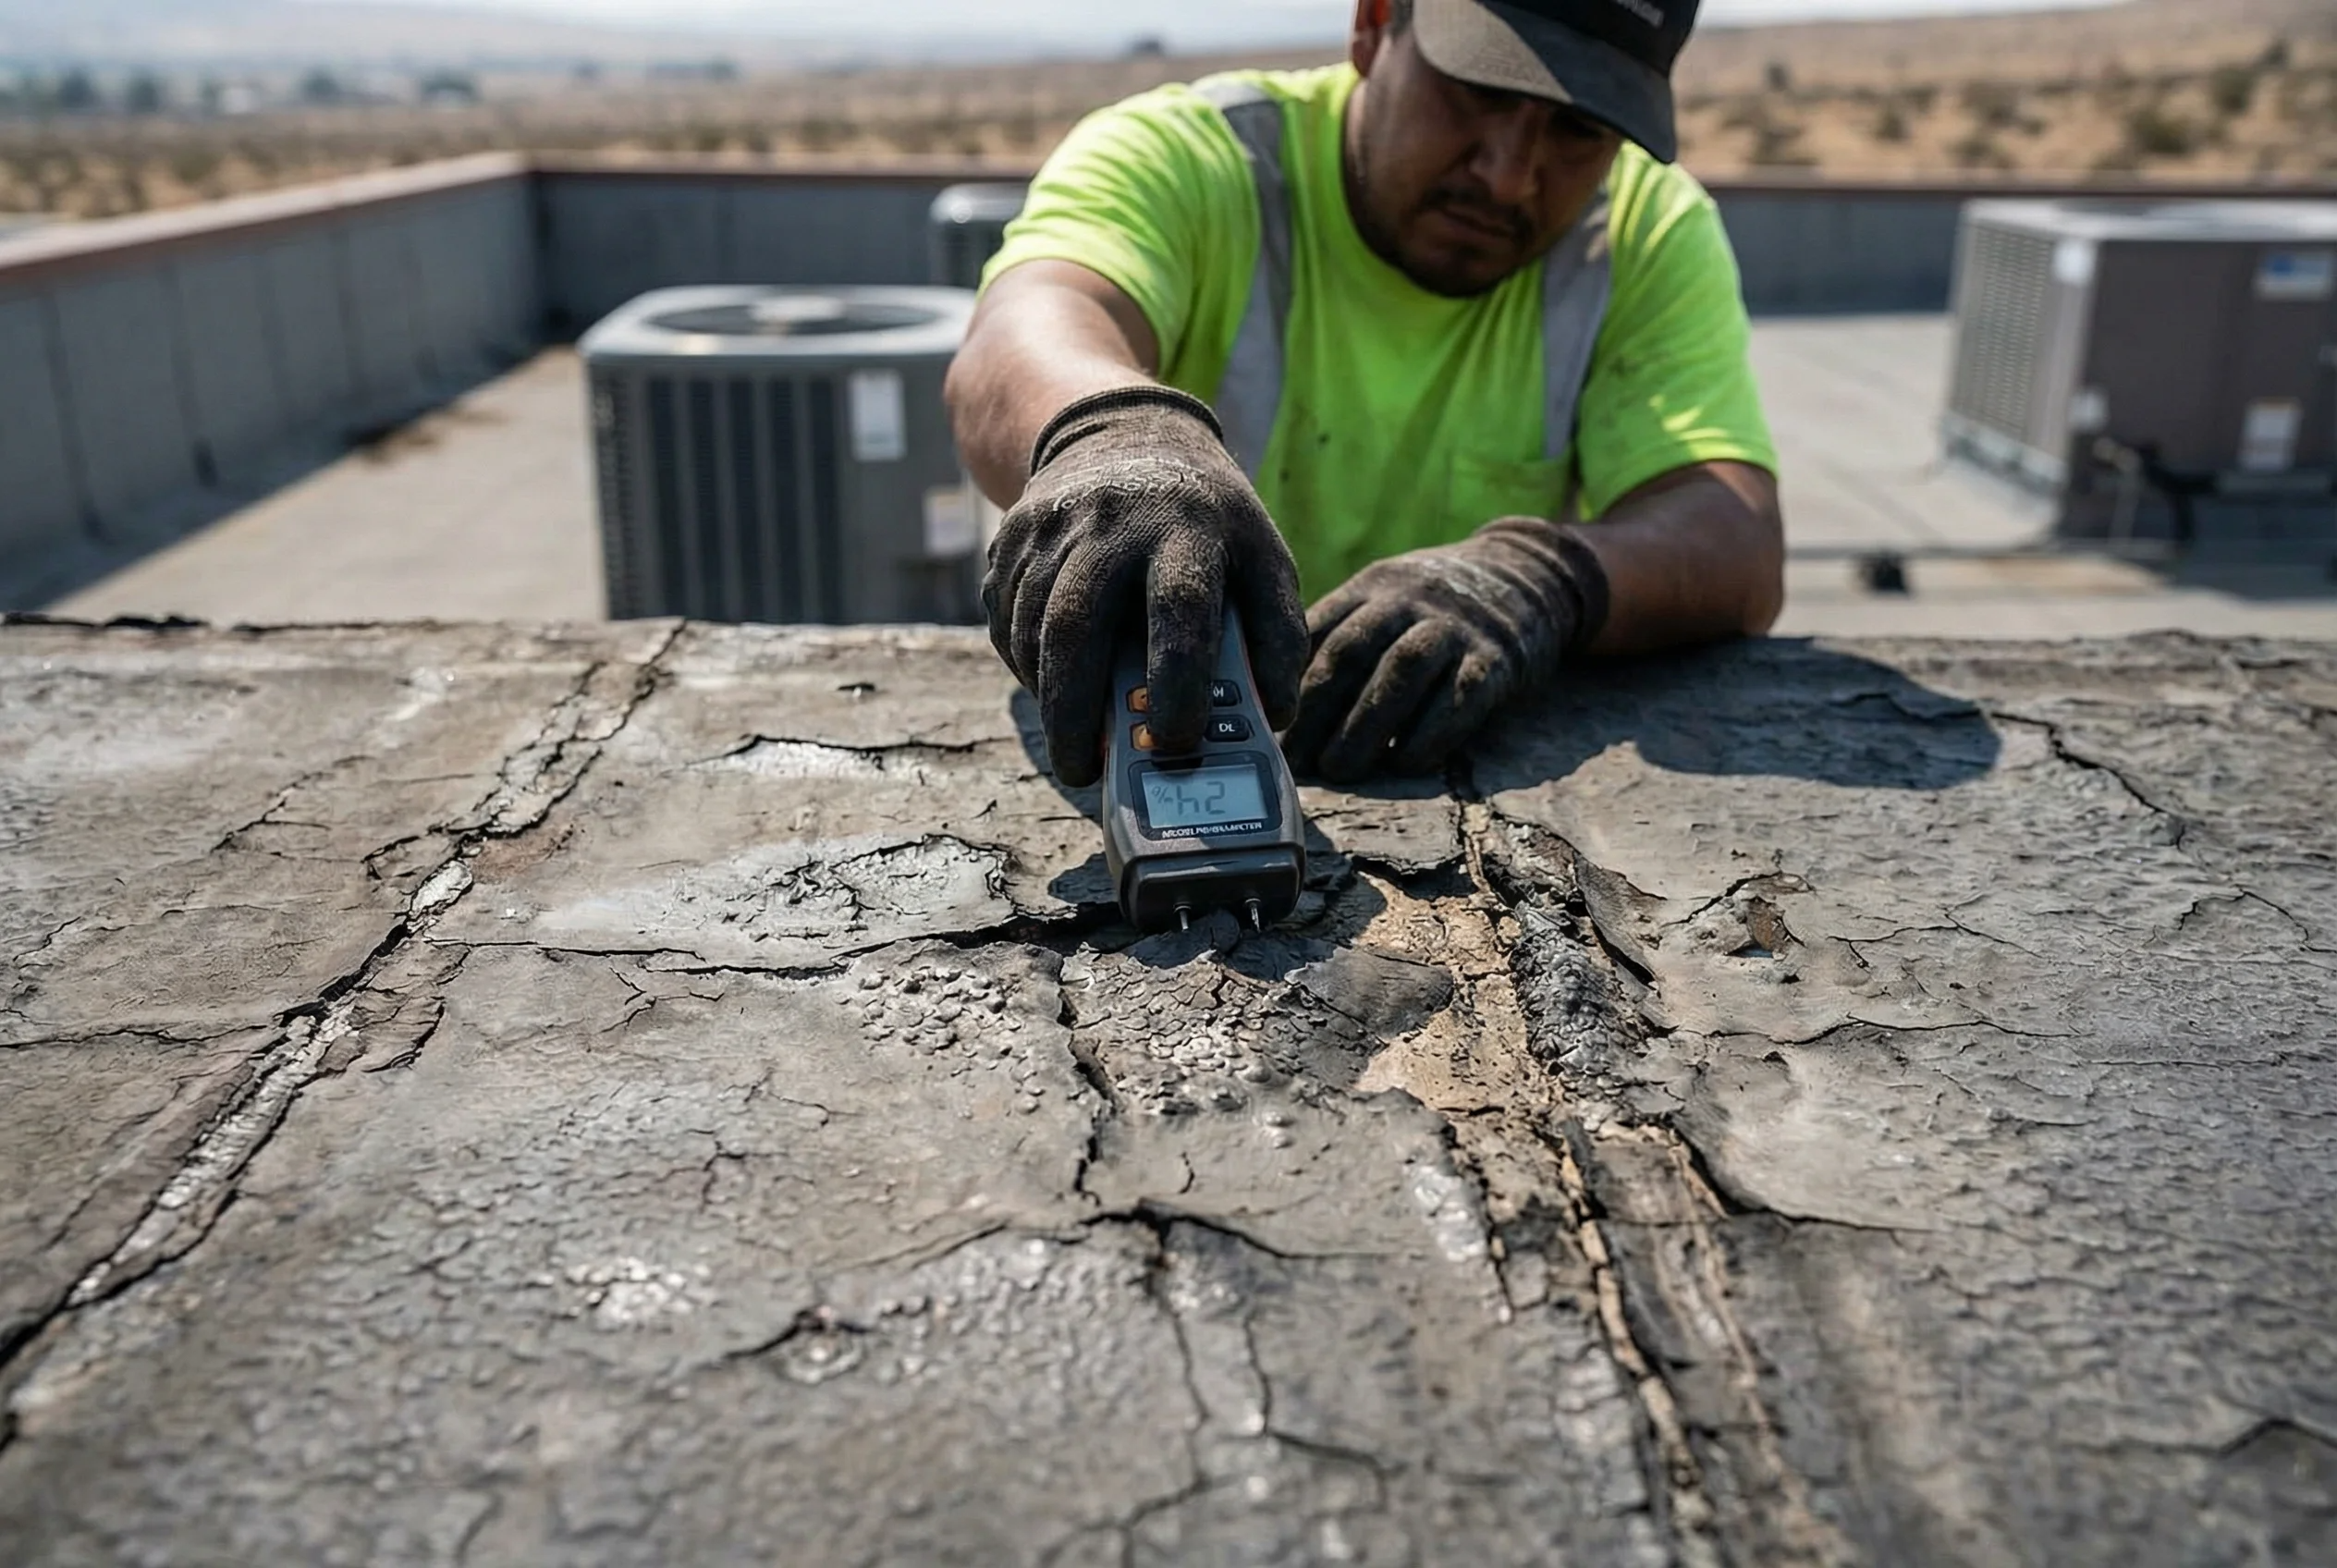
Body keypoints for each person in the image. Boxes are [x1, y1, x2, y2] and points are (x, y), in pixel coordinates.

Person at [949, 0, 1782, 787]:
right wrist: (1117, 435)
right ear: (1376, 22)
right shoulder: (1190, 154)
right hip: (1168, 740)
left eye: (1580, 130)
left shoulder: (1643, 230)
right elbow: (1026, 328)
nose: (1507, 177)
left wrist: (1541, 578)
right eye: (1482, 92)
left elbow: (1731, 534)